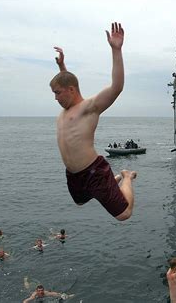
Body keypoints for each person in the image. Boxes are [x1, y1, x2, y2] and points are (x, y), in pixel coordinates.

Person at [50, 23, 137, 222]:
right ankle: (110, 184)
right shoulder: (67, 110)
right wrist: (62, 68)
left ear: (71, 90)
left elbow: (117, 87)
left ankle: (125, 177)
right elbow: (69, 82)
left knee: (124, 214)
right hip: (74, 174)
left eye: (57, 93)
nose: (55, 98)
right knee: (80, 202)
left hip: (93, 171)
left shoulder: (90, 107)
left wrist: (116, 50)